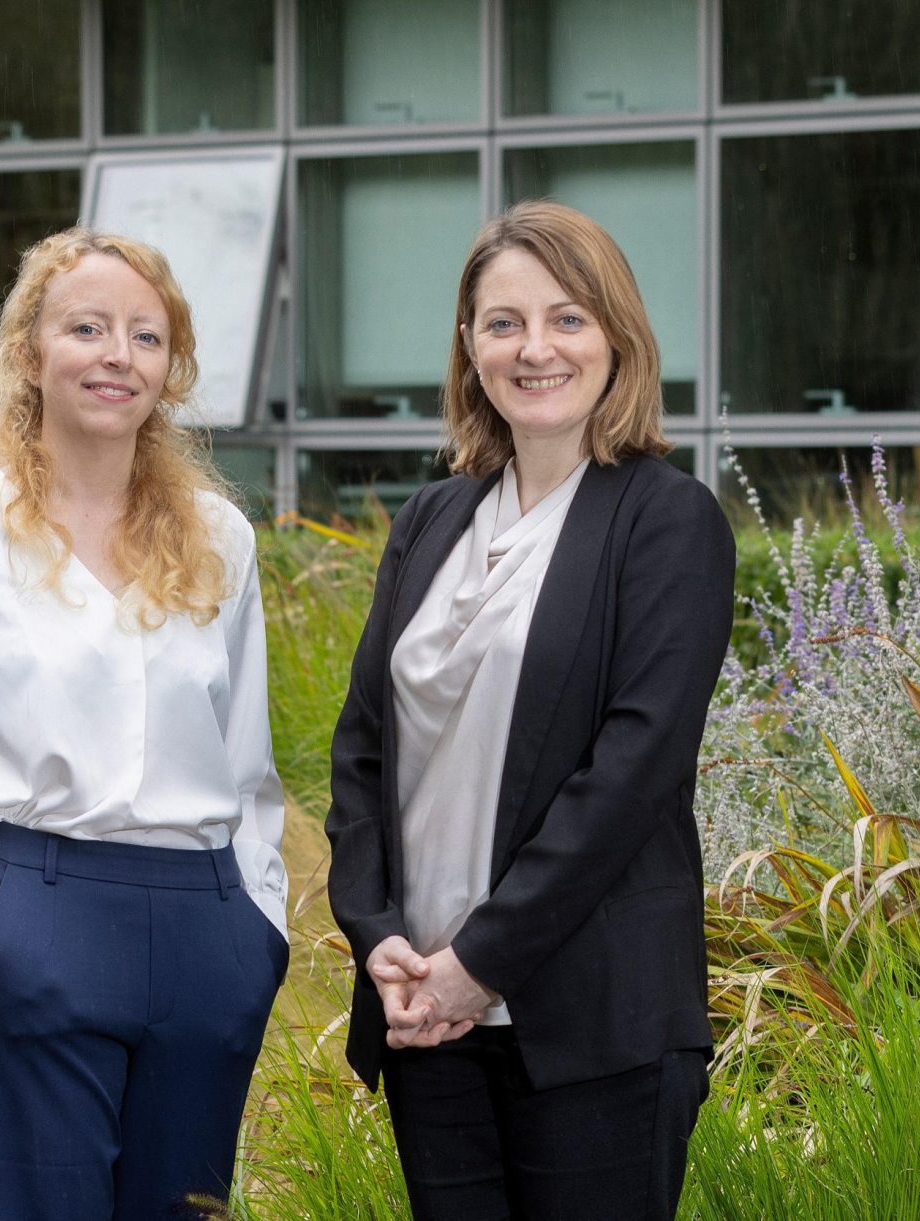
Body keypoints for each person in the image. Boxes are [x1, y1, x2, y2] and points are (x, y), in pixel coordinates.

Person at [0, 227, 288, 1221]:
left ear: (170, 369)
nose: (115, 355)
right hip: (32, 922)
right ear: (28, 353)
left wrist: (256, 931)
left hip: (204, 936)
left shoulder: (220, 540)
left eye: (145, 335)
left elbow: (248, 770)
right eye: (86, 328)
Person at [325, 200, 736, 1220]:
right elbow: (364, 750)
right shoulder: (432, 519)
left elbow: (631, 774)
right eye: (503, 323)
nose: (534, 348)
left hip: (591, 1024)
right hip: (426, 1013)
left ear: (616, 337)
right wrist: (375, 932)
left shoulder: (666, 521)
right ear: (469, 347)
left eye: (567, 318)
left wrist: (482, 963)